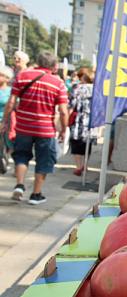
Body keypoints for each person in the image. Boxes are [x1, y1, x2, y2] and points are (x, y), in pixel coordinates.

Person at [0, 51, 69, 204]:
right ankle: (36, 194)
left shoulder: (22, 77)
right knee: (44, 160)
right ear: (54, 66)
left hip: (23, 126)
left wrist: (4, 122)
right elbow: (63, 111)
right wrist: (63, 130)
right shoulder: (58, 84)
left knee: (21, 155)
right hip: (45, 129)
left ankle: (19, 185)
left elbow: (11, 102)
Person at [69, 69, 97, 176]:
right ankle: (85, 164)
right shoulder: (96, 90)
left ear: (83, 78)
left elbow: (71, 105)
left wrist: (67, 118)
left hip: (78, 120)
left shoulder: (77, 88)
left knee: (76, 144)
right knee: (87, 144)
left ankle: (78, 166)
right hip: (91, 122)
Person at [0, 66, 14, 168]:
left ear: (7, 78)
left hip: (6, 122)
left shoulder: (10, 91)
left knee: (8, 145)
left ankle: (14, 166)